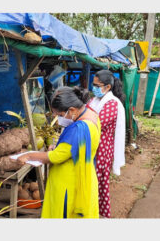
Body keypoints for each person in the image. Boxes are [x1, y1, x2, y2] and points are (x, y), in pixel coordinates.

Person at [17, 86, 101, 218]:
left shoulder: (79, 128)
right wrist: (57, 146)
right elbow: (74, 148)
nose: (58, 118)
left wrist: (28, 155)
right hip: (85, 175)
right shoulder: (92, 115)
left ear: (72, 110)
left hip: (69, 185)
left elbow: (55, 157)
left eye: (60, 115)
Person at [88, 69, 126, 218]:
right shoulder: (95, 100)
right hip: (92, 146)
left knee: (97, 182)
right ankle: (90, 211)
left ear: (108, 87)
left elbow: (96, 123)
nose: (94, 88)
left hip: (102, 149)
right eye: (93, 85)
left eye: (97, 85)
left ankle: (96, 213)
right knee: (92, 180)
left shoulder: (112, 103)